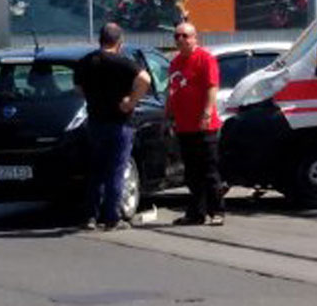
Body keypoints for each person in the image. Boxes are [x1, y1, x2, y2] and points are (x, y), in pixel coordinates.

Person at [74, 22, 150, 231]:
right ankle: (111, 217)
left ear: (100, 40)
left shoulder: (86, 62)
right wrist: (131, 101)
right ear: (119, 42)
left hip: (96, 122)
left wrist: (93, 97)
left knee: (96, 170)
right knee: (116, 170)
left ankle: (90, 216)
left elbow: (78, 88)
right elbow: (145, 79)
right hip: (119, 122)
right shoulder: (122, 62)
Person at [166, 21, 225, 227]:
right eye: (177, 36)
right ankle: (196, 213)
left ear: (194, 38)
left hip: (204, 125)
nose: (180, 40)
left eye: (185, 36)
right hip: (184, 125)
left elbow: (212, 87)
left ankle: (216, 210)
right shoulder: (175, 63)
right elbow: (172, 89)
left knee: (209, 170)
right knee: (191, 173)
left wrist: (207, 112)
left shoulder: (205, 58)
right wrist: (169, 113)